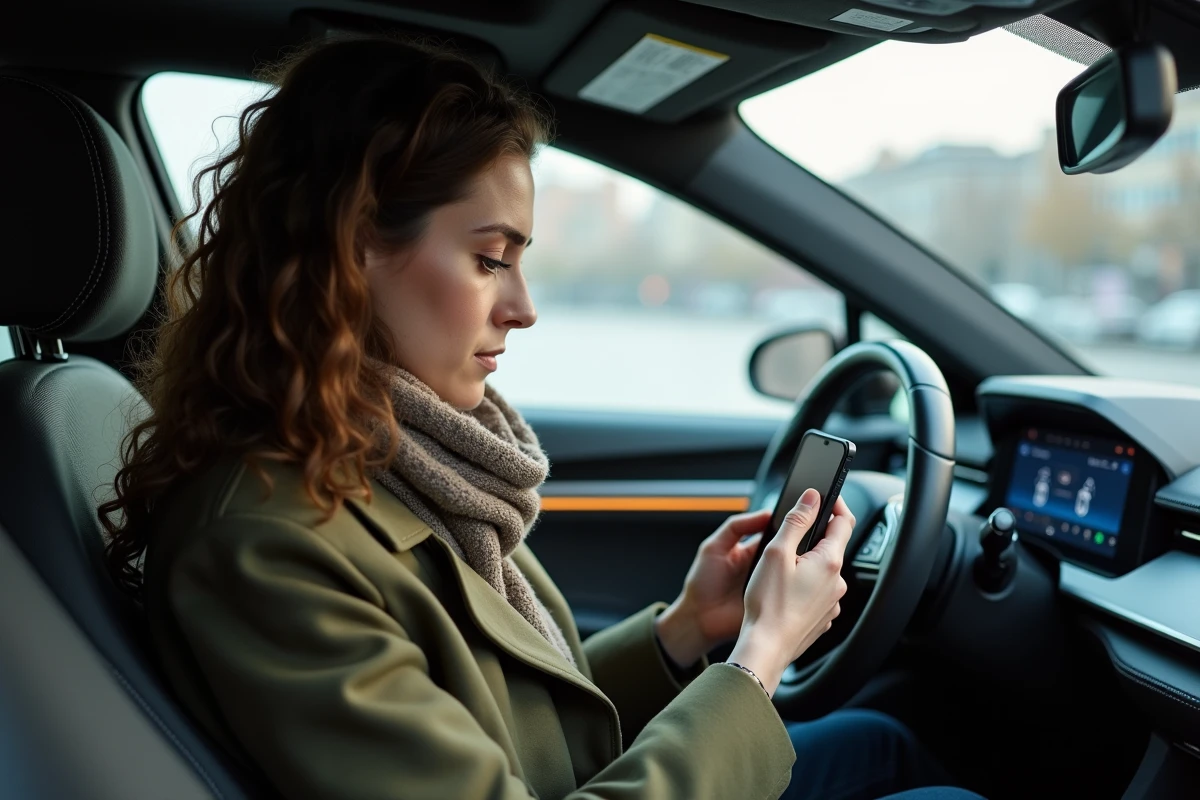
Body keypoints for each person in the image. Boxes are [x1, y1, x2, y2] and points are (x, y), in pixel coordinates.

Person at [100, 36, 983, 800]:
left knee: (882, 744)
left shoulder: (384, 459)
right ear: (352, 248)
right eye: (490, 259)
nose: (523, 308)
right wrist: (759, 657)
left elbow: (504, 728)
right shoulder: (263, 546)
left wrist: (688, 629)